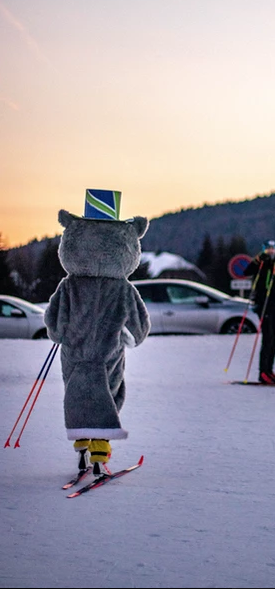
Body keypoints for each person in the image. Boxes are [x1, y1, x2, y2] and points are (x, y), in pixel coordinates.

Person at [44, 189, 151, 477]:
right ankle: (99, 455)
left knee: (77, 396)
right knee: (109, 397)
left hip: (75, 354)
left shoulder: (69, 285)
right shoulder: (123, 289)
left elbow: (54, 321)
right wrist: (129, 339)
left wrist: (60, 334)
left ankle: (81, 448)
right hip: (109, 355)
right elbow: (139, 327)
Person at [243, 239, 275, 385]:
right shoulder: (260, 263)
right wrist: (257, 260)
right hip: (264, 304)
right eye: (268, 249)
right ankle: (263, 372)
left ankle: (269, 370)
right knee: (268, 337)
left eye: (272, 249)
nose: (270, 251)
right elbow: (247, 271)